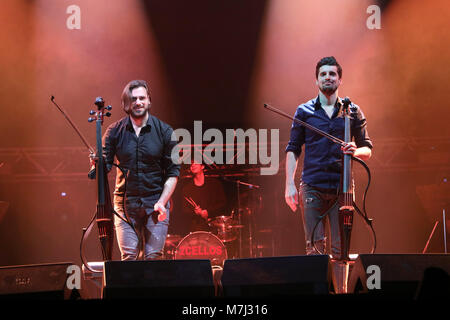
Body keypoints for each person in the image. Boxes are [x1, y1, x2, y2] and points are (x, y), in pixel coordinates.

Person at [285, 56, 373, 258]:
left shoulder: (352, 111)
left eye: (332, 74)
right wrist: (288, 183)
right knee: (314, 249)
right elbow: (293, 148)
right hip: (312, 187)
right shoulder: (304, 111)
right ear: (316, 80)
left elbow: (367, 149)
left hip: (342, 189)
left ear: (340, 80)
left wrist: (355, 151)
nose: (328, 77)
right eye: (323, 74)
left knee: (340, 250)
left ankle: (342, 289)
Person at [92, 80, 180, 260]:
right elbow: (104, 168)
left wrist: (162, 202)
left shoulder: (165, 132)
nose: (138, 102)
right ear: (126, 104)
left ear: (149, 101)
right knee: (129, 257)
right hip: (125, 205)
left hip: (155, 203)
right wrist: (96, 164)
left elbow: (173, 174)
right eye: (134, 99)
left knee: (154, 257)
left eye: (142, 98)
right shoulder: (114, 131)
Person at [182, 162, 227, 232]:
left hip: (214, 226)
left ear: (202, 166)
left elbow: (222, 203)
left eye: (195, 163)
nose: (192, 165)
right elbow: (185, 210)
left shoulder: (215, 184)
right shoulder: (187, 189)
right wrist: (195, 212)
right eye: (191, 164)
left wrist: (208, 212)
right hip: (196, 228)